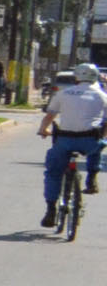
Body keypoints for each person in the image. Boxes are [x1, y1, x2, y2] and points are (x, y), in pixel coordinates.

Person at [39, 60, 106, 230]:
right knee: (99, 145)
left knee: (53, 173)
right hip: (90, 141)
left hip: (64, 141)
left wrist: (43, 130)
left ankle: (50, 210)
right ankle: (91, 179)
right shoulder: (102, 96)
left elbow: (49, 116)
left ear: (76, 77)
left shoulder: (63, 93)